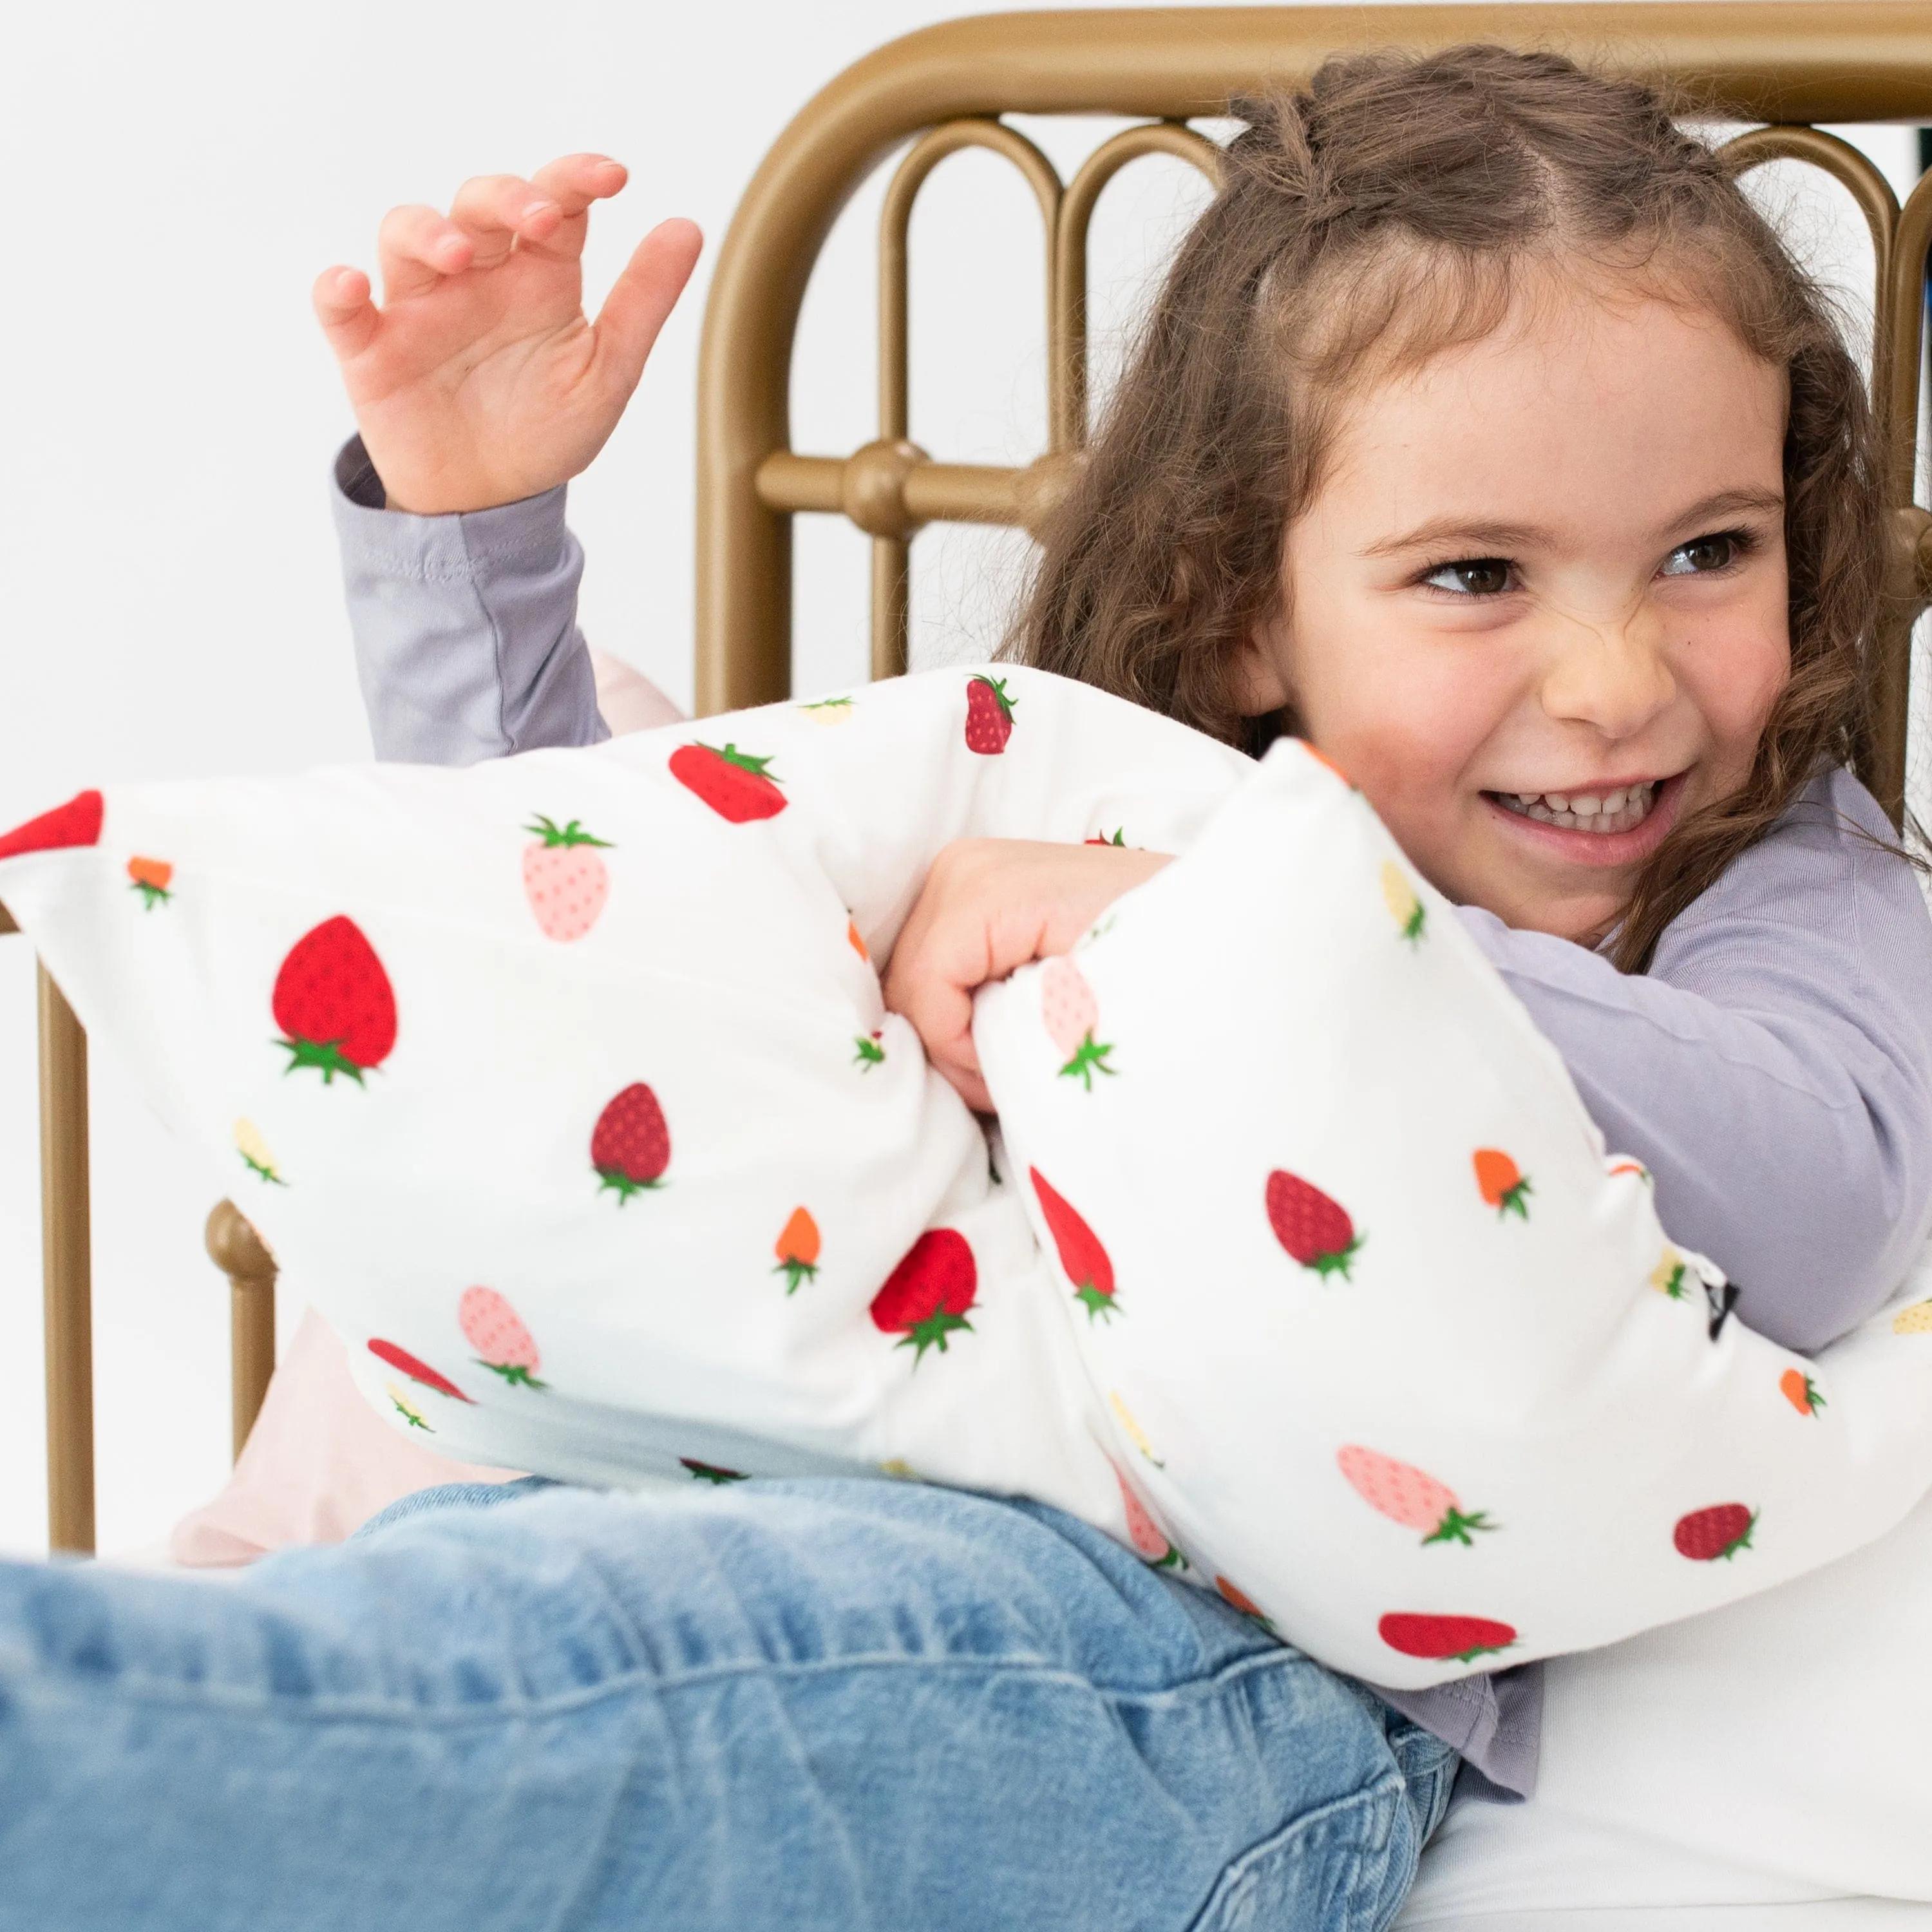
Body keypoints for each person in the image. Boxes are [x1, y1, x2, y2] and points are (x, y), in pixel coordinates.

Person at [3, 46, 1928, 1932]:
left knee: (550, 1720)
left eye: (1707, 551)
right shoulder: (1063, 792)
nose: (1613, 680)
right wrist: (474, 542)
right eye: (1475, 577)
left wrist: (1186, 918)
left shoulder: (1777, 898)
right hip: (721, 1516)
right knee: (441, 1649)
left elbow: (1823, 1187)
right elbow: (591, 969)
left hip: (1187, 1682)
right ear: (1243, 602)